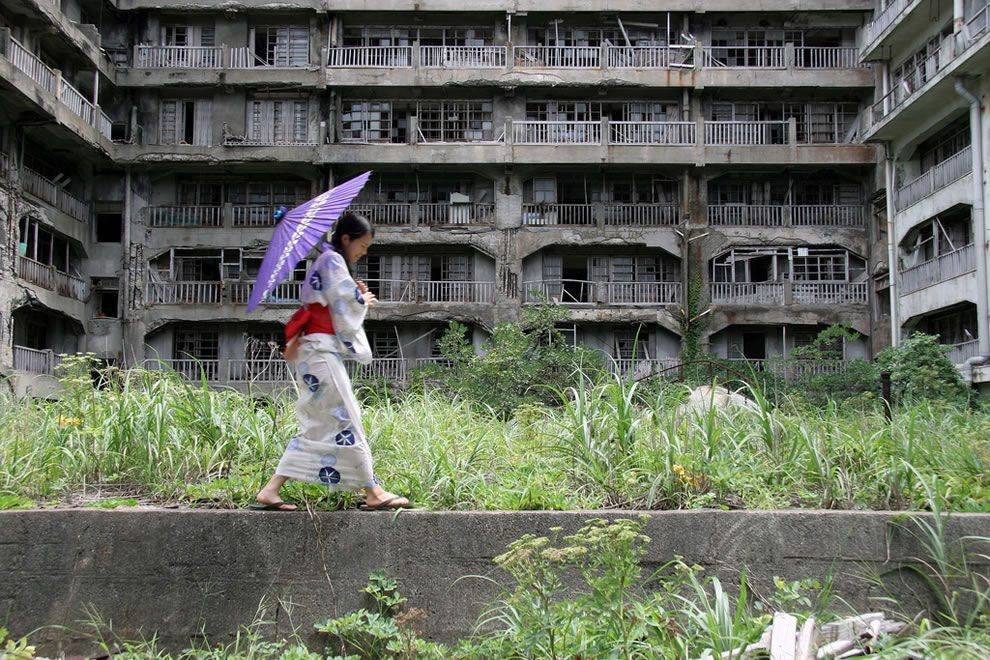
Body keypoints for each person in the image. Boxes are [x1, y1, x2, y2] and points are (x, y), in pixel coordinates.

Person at [253, 211, 410, 511]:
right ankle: (373, 491)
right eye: (362, 246)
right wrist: (362, 300)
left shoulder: (327, 261)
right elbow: (344, 304)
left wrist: (355, 296)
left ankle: (271, 490)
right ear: (346, 239)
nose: (363, 253)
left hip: (313, 352)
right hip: (319, 354)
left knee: (321, 424)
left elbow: (337, 299)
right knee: (347, 418)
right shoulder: (332, 261)